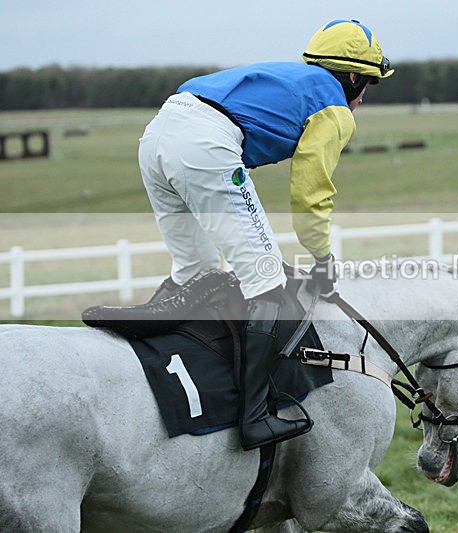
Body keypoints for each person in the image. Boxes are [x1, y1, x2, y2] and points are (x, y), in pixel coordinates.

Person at [137, 19, 393, 450]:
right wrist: (323, 258)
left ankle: (153, 372)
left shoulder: (290, 77)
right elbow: (311, 192)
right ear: (352, 77)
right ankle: (255, 417)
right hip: (205, 143)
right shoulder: (335, 107)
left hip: (157, 134)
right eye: (366, 83)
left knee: (196, 274)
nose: (364, 96)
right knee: (268, 285)